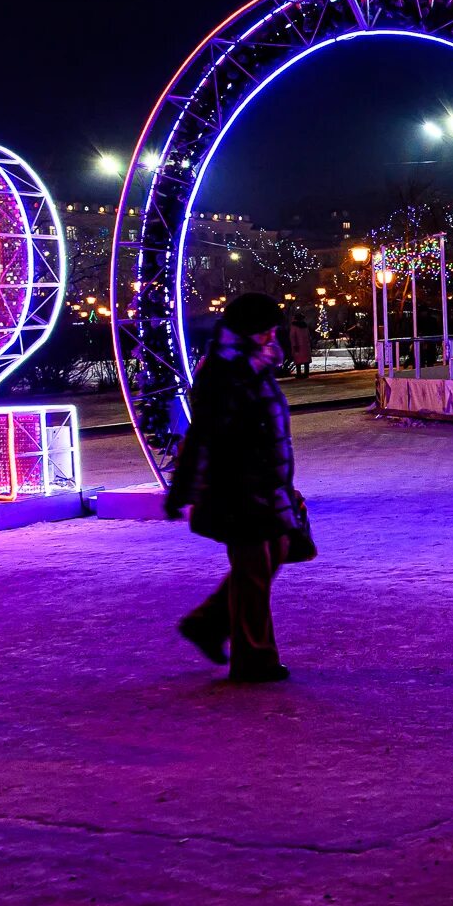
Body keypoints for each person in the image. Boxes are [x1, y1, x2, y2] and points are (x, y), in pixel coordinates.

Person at [167, 293, 309, 684]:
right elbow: (204, 433)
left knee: (276, 552)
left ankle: (207, 624)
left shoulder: (257, 365)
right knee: (254, 570)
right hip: (236, 486)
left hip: (266, 483)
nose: (271, 335)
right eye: (265, 329)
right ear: (249, 330)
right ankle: (254, 660)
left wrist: (285, 485)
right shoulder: (224, 368)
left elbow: (272, 433)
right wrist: (182, 491)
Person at [286, 314, 315, 379]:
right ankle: (306, 373)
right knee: (306, 361)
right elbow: (308, 336)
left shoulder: (294, 326)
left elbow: (292, 336)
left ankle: (299, 374)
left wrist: (294, 345)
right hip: (305, 345)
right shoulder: (305, 326)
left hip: (298, 346)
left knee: (298, 361)